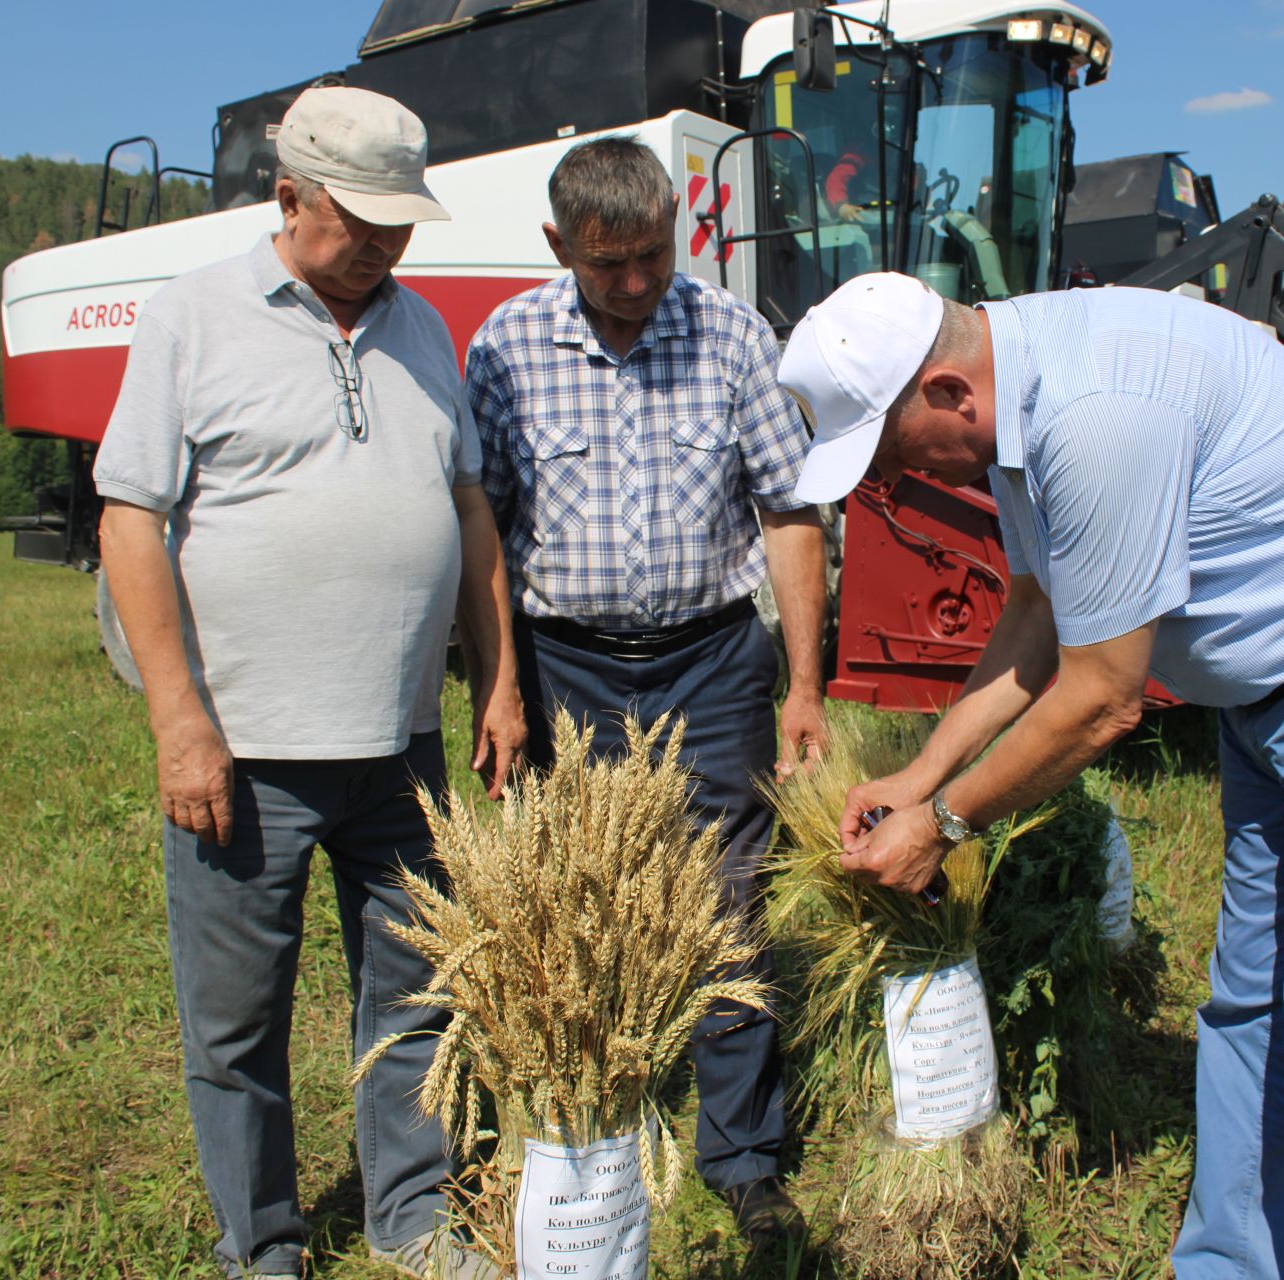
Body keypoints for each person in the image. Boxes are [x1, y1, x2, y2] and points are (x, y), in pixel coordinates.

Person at [780, 273, 1284, 1279]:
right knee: (1251, 1007)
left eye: (893, 450)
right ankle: (1226, 1264)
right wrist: (923, 771)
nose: (894, 478)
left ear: (946, 393)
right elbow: (1034, 616)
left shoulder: (1095, 416)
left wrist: (940, 821)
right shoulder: (1018, 403)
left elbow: (1103, 694)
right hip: (1269, 697)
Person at [94, 86, 523, 1280]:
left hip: (399, 745)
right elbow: (131, 518)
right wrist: (180, 720)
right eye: (360, 221)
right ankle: (263, 1246)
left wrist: (496, 681)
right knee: (236, 1027)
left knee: (419, 999)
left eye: (400, 222)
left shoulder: (424, 330)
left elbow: (469, 509)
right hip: (245, 752)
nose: (386, 245)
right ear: (289, 196)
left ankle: (415, 1215)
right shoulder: (195, 317)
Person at [464, 135, 829, 1246]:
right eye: (605, 262)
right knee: (574, 903)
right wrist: (497, 684)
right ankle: (589, 1129)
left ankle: (743, 1152)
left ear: (679, 230)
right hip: (563, 661)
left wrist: (805, 679)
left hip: (715, 660)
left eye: (653, 256)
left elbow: (789, 509)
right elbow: (480, 520)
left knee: (730, 898)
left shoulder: (727, 333)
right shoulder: (508, 344)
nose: (632, 284)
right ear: (557, 244)